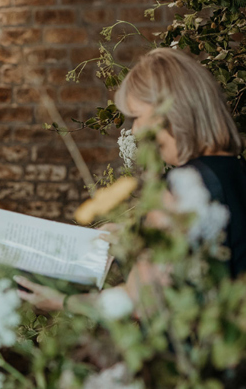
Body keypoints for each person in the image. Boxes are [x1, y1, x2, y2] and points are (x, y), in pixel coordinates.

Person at [16, 47, 246, 312]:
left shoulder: (184, 185)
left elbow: (141, 300)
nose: (135, 130)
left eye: (136, 117)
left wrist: (62, 302)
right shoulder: (234, 170)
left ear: (172, 111)